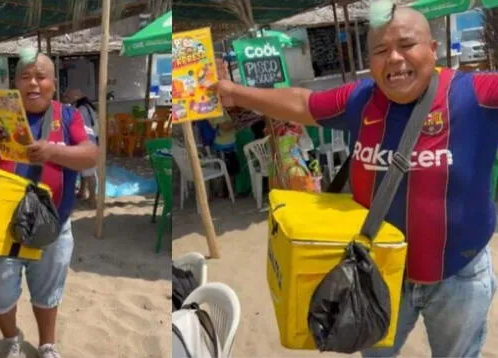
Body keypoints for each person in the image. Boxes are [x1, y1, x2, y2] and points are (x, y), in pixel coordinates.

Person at [212, 5, 497, 358]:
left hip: (460, 275)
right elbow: (303, 103)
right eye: (380, 50)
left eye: (407, 45)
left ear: (432, 49)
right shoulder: (360, 99)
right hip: (374, 275)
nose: (394, 58)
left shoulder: (476, 95)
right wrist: (236, 93)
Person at [0, 52, 98, 358]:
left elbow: (91, 155)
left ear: (52, 83)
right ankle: (12, 339)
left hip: (53, 224)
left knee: (48, 291)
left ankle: (47, 345)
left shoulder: (70, 115)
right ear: (15, 83)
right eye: (26, 76)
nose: (33, 83)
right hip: (1, 229)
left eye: (41, 76)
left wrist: (52, 152)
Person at [62, 88, 99, 204]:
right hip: (91, 141)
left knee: (89, 172)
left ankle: (93, 197)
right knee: (84, 170)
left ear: (74, 98)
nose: (64, 99)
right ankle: (83, 192)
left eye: (67, 97)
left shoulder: (78, 110)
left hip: (85, 143)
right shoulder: (87, 107)